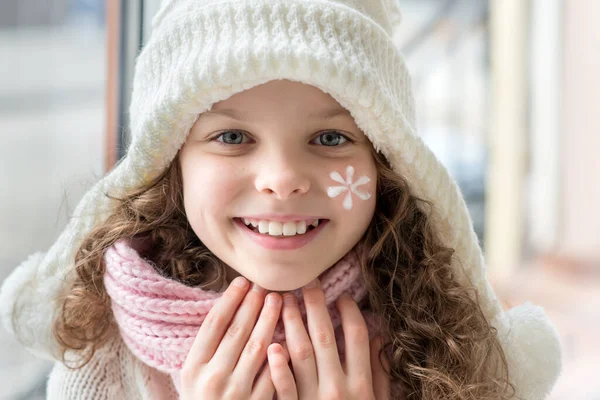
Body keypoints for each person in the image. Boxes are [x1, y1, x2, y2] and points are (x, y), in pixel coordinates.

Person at [0, 0, 563, 399]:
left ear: (388, 165)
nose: (283, 178)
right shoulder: (103, 354)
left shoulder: (444, 350)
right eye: (232, 137)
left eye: (330, 138)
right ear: (169, 165)